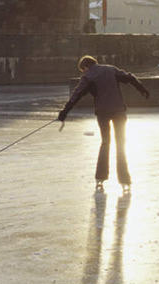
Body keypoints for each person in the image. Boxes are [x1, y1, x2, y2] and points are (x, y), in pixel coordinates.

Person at [57, 55, 150, 191]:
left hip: (103, 112)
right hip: (119, 110)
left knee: (106, 142)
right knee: (120, 144)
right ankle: (125, 179)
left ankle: (101, 177)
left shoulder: (88, 76)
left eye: (82, 70)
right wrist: (142, 89)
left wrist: (65, 111)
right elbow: (129, 77)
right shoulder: (111, 69)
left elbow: (77, 94)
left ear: (85, 67)